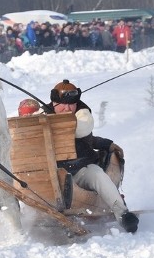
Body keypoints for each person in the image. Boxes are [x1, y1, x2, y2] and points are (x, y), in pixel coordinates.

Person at [43, 80, 138, 233]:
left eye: (72, 104)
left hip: (81, 170)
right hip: (50, 172)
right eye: (63, 104)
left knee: (98, 175)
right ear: (53, 102)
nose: (68, 108)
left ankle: (123, 214)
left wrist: (107, 144)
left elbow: (86, 136)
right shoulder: (42, 118)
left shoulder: (82, 117)